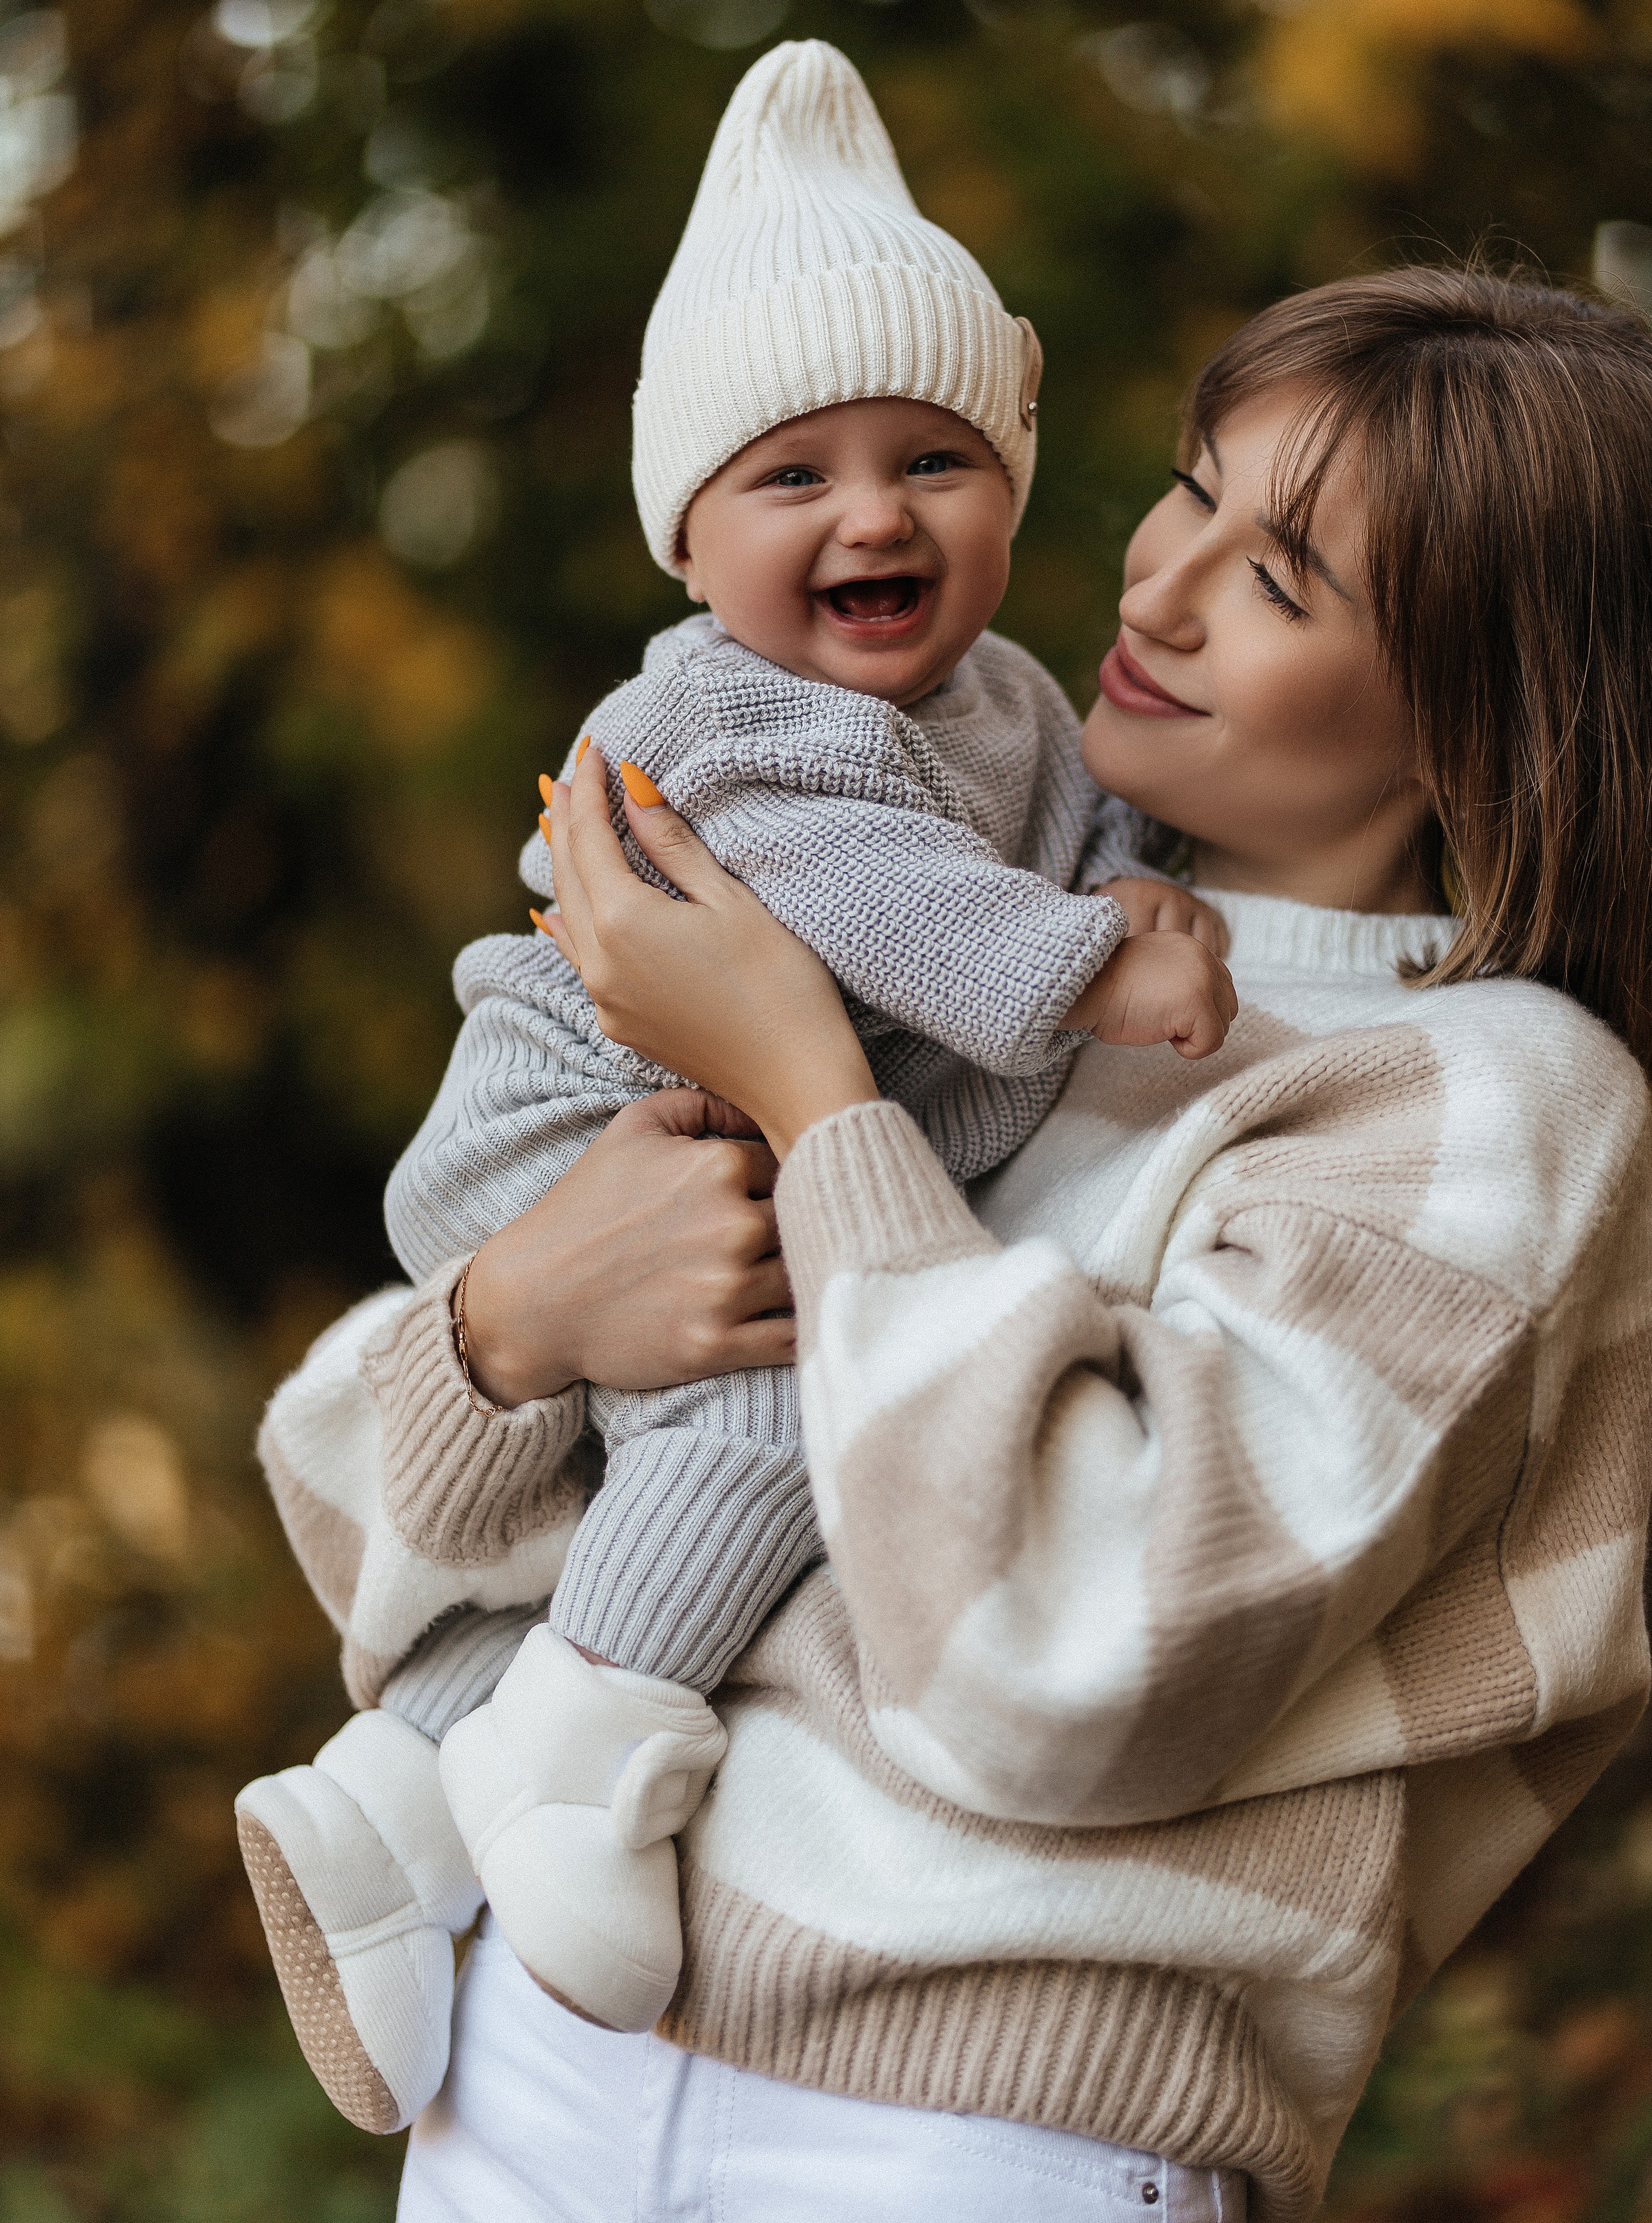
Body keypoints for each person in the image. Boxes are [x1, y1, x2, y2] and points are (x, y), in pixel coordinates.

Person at [259, 264, 1652, 2222]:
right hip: (536, 2068)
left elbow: (1077, 1657)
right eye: (1190, 490)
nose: (1156, 588)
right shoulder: (962, 905)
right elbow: (342, 1511)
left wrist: (816, 1104)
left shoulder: (1488, 1105)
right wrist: (516, 1316)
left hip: (972, 2136)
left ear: (1487, 710)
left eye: (1284, 581)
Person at [234, 38, 1236, 2129]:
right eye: (794, 477)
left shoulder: (1013, 699)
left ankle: (395, 1795)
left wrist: (1146, 893)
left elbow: (1062, 845)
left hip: (722, 1132)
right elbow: (901, 908)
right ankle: (581, 1748)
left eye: (932, 460)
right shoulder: (735, 715)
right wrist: (1094, 970)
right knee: (777, 1405)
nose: (874, 512)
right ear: (687, 542)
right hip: (578, 1120)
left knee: (658, 1461)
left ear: (1009, 488)